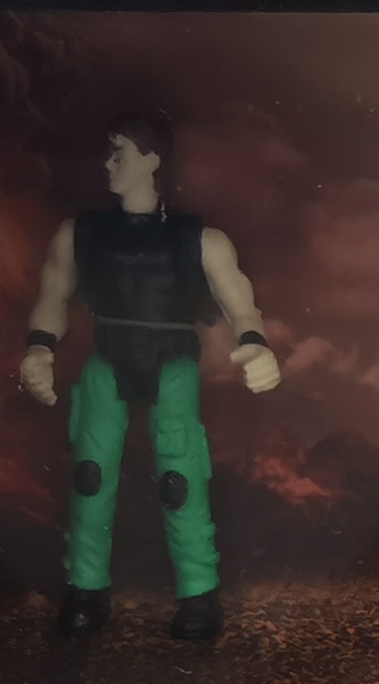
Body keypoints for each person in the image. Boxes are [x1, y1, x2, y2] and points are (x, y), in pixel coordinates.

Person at [18, 111, 282, 642]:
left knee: (180, 479)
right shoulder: (81, 234)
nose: (109, 163)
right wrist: (40, 349)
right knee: (90, 477)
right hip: (108, 359)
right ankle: (86, 590)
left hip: (172, 364)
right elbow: (53, 295)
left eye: (121, 152)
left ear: (153, 159)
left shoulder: (200, 239)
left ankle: (198, 593)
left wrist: (256, 345)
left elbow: (240, 304)